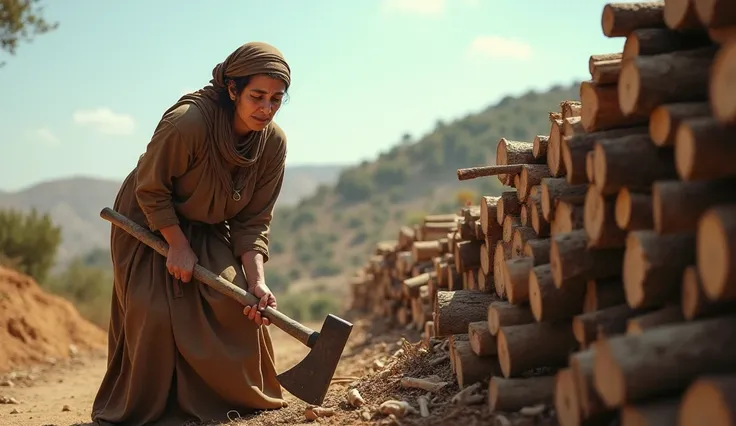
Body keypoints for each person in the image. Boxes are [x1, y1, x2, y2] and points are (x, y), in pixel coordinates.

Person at [91, 41, 292, 426]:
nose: (266, 108)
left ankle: (223, 402)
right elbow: (150, 189)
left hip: (209, 227)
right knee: (154, 310)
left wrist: (258, 281)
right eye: (257, 96)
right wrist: (177, 245)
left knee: (236, 305)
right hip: (149, 220)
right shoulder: (188, 123)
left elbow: (253, 222)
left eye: (276, 99)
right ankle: (157, 409)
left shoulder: (273, 144)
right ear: (232, 90)